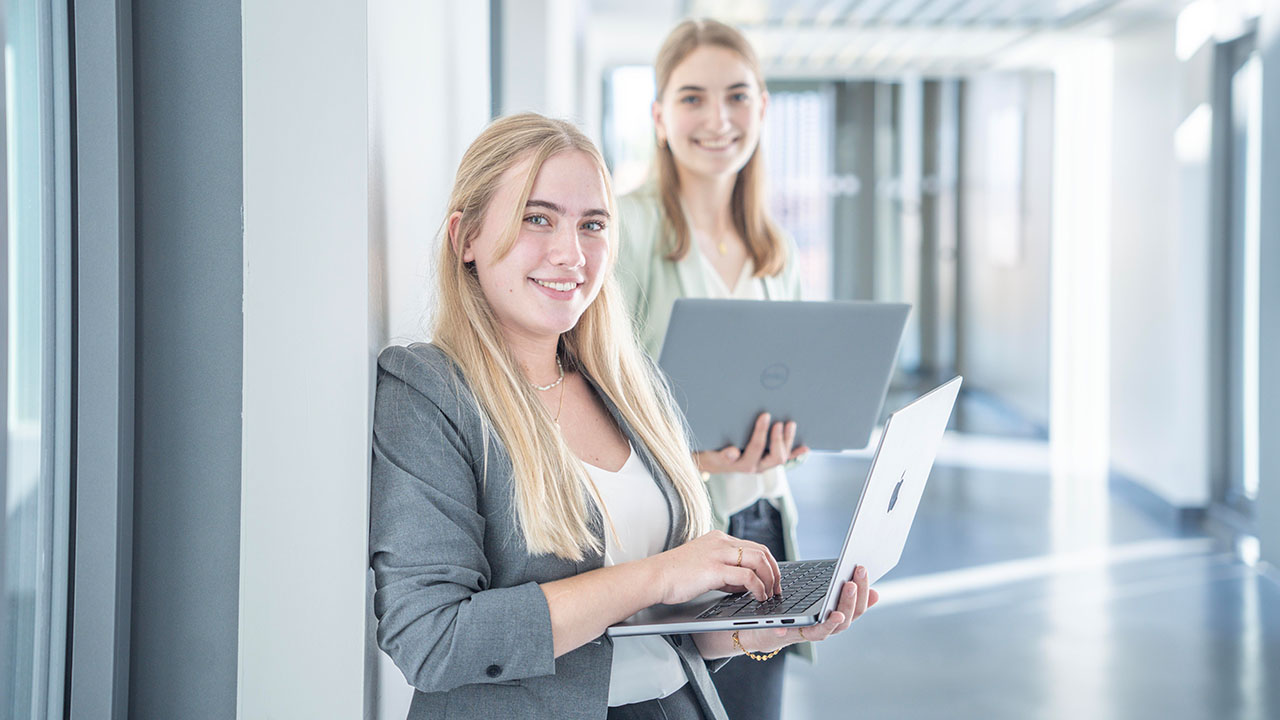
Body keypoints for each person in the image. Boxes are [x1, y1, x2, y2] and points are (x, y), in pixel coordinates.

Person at [370, 113, 876, 720]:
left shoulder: (630, 389)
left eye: (593, 225)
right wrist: (659, 576)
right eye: (538, 218)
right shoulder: (430, 389)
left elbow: (664, 631)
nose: (571, 253)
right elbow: (433, 639)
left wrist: (767, 629)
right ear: (466, 238)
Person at [614, 19, 814, 720]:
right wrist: (699, 458)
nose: (718, 119)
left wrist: (793, 431)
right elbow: (596, 391)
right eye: (693, 98)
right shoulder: (628, 230)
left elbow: (787, 380)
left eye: (736, 96)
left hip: (763, 525)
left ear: (762, 107)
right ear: (660, 116)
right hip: (682, 534)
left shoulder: (773, 247)